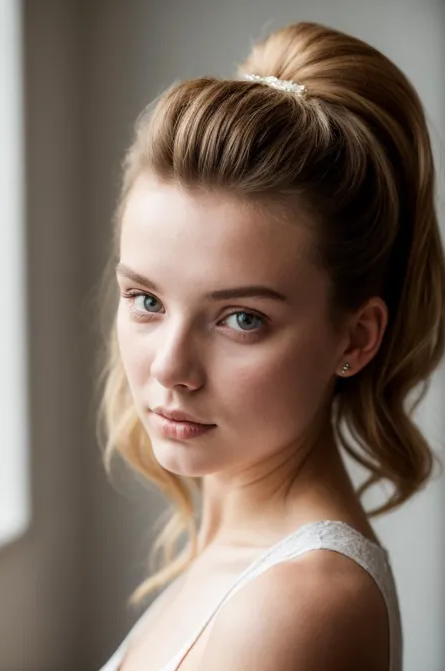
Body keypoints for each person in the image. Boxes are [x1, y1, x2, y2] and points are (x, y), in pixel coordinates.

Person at [96, 20, 445, 671]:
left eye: (241, 319)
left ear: (357, 335)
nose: (170, 367)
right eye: (147, 300)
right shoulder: (232, 545)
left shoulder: (298, 604)